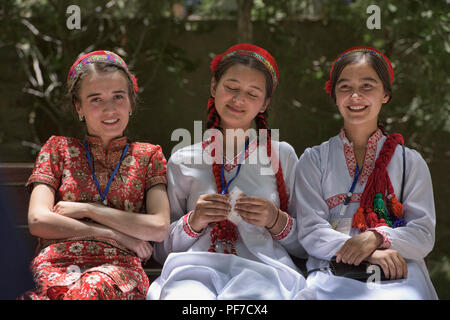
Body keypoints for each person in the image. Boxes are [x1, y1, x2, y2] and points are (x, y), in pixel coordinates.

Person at [147, 44, 310, 300]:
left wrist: (275, 219)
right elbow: (159, 249)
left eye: (252, 93)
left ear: (265, 103)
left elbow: (307, 243)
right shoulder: (182, 159)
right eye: (231, 88)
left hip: (263, 273)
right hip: (193, 273)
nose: (238, 99)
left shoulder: (282, 155)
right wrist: (195, 221)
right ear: (214, 87)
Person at [20, 50, 170, 300]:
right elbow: (38, 220)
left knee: (92, 286)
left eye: (118, 97)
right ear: (79, 107)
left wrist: (88, 210)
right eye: (96, 99)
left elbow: (158, 227)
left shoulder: (148, 156)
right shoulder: (58, 149)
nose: (109, 109)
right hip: (55, 265)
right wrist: (114, 234)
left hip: (118, 271)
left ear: (131, 102)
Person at [294, 46, 438, 299]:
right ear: (335, 95)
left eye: (367, 86)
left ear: (385, 94)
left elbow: (423, 234)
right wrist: (368, 251)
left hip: (397, 273)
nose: (355, 96)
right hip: (332, 272)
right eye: (345, 87)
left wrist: (376, 236)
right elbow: (311, 231)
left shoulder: (409, 162)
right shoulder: (314, 160)